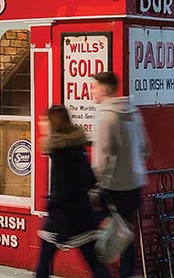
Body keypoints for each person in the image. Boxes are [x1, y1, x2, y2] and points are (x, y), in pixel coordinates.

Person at [36, 106, 110, 278]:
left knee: (44, 262)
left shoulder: (59, 152)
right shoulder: (78, 148)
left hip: (62, 219)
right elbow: (91, 179)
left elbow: (62, 190)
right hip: (83, 216)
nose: (40, 123)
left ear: (53, 124)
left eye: (44, 120)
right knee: (94, 263)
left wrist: (51, 203)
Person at [91, 71, 150, 278]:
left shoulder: (106, 117)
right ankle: (127, 273)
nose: (92, 90)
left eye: (95, 86)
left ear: (105, 89)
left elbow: (102, 159)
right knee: (125, 233)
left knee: (88, 228)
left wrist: (97, 186)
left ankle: (101, 272)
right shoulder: (133, 112)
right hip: (135, 183)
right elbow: (145, 148)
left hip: (113, 187)